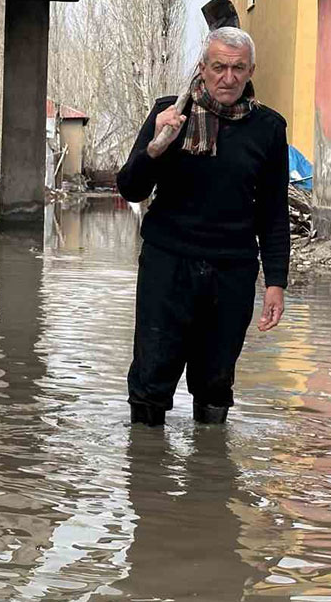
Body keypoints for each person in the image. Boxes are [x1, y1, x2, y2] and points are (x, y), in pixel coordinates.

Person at [116, 27, 289, 427]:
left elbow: (273, 213)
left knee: (215, 381)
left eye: (238, 68)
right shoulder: (170, 114)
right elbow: (130, 189)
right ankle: (145, 458)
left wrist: (276, 282)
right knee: (151, 376)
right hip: (167, 264)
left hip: (232, 271)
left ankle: (210, 457)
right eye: (219, 67)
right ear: (202, 67)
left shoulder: (268, 128)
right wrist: (155, 147)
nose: (228, 78)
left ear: (251, 71)